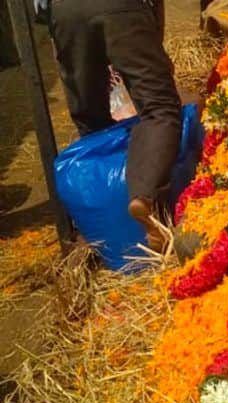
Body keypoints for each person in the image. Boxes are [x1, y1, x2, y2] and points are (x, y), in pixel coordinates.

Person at [33, 0, 181, 252]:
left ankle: (110, 223)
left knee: (90, 118)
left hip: (65, 10)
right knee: (159, 109)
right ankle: (145, 196)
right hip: (121, 7)